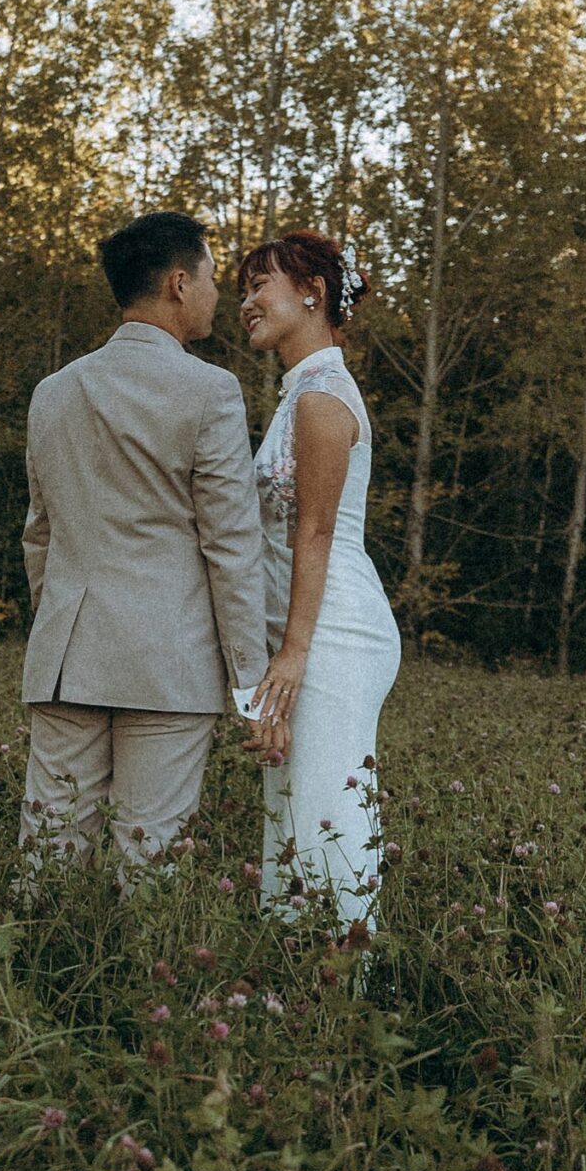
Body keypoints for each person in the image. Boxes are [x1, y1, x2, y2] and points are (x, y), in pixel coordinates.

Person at [19, 211, 268, 881]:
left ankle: (31, 948)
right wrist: (251, 682)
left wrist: (57, 623)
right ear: (180, 284)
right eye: (211, 277)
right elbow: (231, 546)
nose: (217, 293)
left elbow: (40, 534)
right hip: (169, 662)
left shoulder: (53, 392)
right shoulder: (211, 391)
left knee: (49, 848)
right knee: (150, 859)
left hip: (66, 654)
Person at [236, 232, 402, 937]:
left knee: (327, 815)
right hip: (305, 626)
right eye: (242, 290)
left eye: (260, 286)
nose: (246, 303)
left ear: (314, 293)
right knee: (292, 816)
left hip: (334, 632)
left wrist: (293, 653)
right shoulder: (299, 392)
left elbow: (317, 533)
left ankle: (348, 981)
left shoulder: (323, 397)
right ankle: (294, 975)